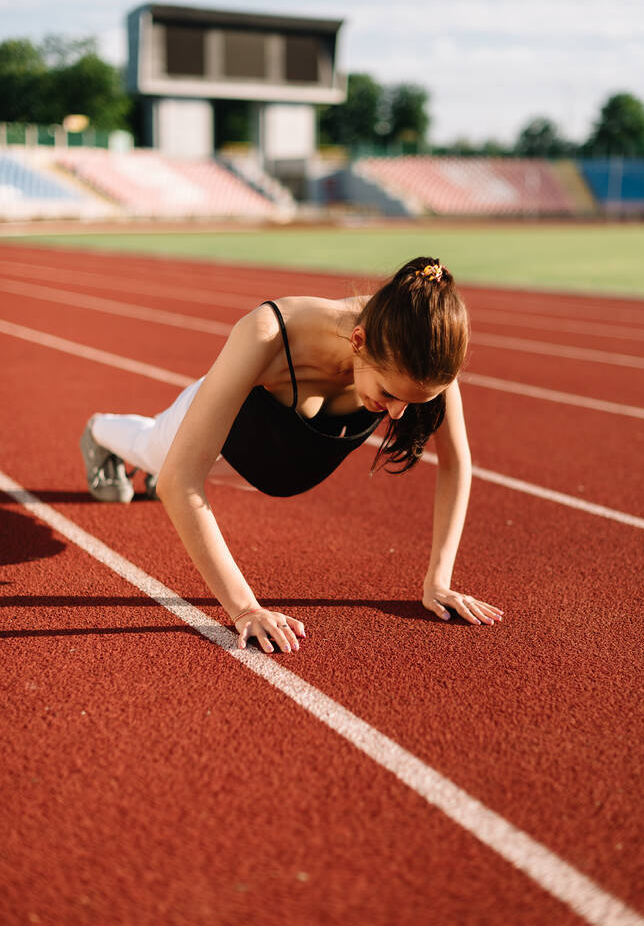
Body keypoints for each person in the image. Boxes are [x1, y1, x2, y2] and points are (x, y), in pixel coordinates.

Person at [79, 256, 503, 653]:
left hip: (276, 463)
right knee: (155, 452)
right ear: (359, 340)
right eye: (390, 394)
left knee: (173, 468)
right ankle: (99, 430)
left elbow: (456, 462)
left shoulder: (424, 349)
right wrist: (244, 608)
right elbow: (180, 481)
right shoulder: (268, 332)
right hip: (223, 439)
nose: (398, 413)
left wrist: (439, 581)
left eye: (413, 402)